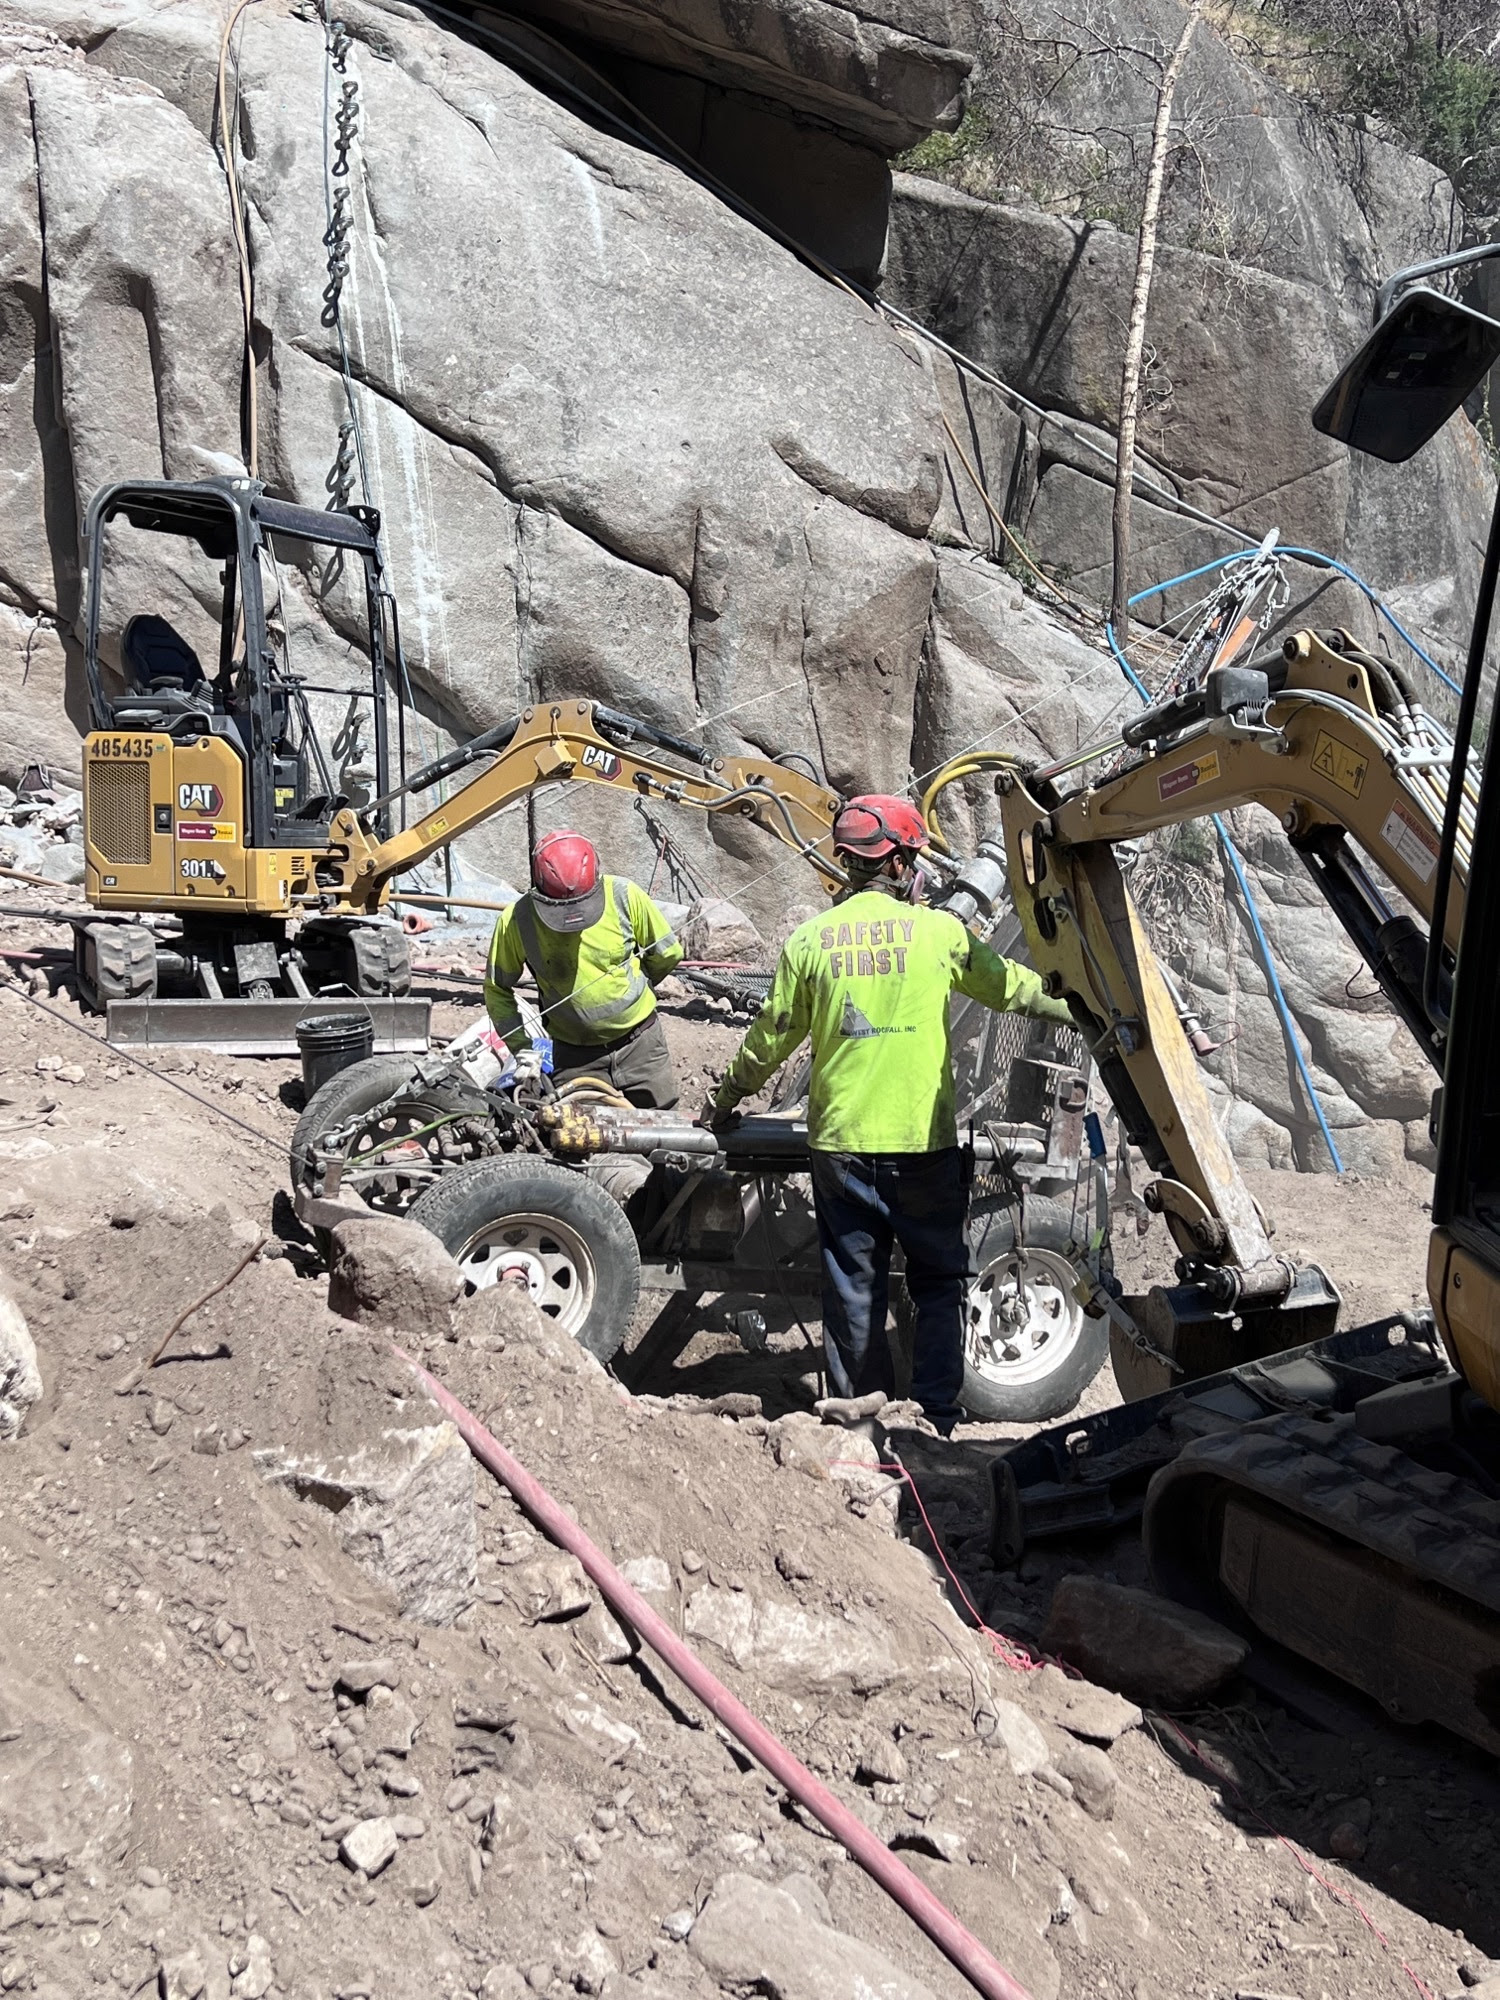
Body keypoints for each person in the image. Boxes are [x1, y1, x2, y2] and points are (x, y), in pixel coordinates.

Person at [703, 794, 1073, 1434]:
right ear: (901, 862)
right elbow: (1014, 989)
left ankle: (858, 1424)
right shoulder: (940, 932)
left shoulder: (810, 940)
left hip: (842, 1148)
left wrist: (726, 1097)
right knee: (937, 1285)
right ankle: (934, 1419)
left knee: (854, 1289)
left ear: (848, 864)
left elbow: (773, 1035)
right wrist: (1087, 1012)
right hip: (923, 1146)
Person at [485, 830, 684, 1108]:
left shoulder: (624, 896)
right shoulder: (517, 921)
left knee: (666, 1133)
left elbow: (668, 952)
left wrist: (639, 987)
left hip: (641, 1048)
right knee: (580, 1139)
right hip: (576, 1058)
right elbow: (497, 989)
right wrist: (521, 1048)